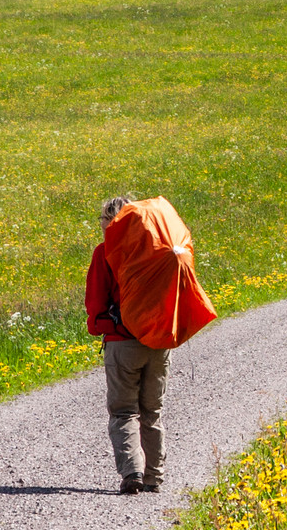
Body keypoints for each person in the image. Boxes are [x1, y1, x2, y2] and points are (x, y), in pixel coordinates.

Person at [85, 195, 170, 495]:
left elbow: (95, 304)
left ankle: (132, 472)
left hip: (122, 342)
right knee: (151, 412)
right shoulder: (159, 250)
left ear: (111, 221)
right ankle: (153, 477)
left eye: (104, 220)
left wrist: (101, 326)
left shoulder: (104, 253)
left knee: (123, 412)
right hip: (158, 341)